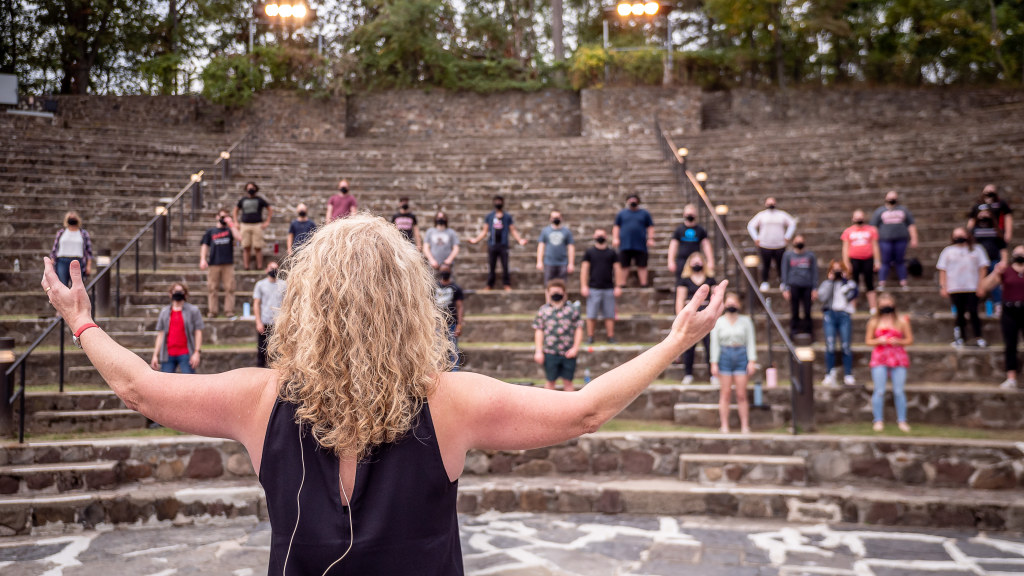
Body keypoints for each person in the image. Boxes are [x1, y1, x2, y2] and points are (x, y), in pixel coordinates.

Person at [41, 216, 726, 574]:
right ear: (410, 304)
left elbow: (139, 388)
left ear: (306, 304)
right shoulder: (450, 402)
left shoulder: (258, 398)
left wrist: (81, 318)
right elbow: (585, 409)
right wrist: (673, 343)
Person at [866, 293, 913, 432]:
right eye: (883, 305)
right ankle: (878, 420)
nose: (886, 307)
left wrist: (898, 341)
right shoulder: (874, 322)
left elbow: (909, 340)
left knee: (899, 391)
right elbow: (868, 341)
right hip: (880, 357)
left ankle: (902, 420)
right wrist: (878, 341)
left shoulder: (902, 321)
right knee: (879, 390)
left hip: (898, 357)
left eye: (888, 304)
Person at [710, 292, 757, 433]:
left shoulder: (746, 321)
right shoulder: (719, 322)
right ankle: (724, 425)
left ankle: (744, 425)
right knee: (725, 393)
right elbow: (715, 343)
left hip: (741, 355)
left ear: (739, 304)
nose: (731, 305)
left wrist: (752, 360)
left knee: (741, 394)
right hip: (725, 356)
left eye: (734, 302)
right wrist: (714, 362)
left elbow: (750, 341)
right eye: (729, 303)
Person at [937, 227, 989, 348]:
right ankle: (961, 338)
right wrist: (943, 286)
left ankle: (978, 337)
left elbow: (983, 268)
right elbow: (942, 270)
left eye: (961, 234)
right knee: (959, 314)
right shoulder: (948, 251)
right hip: (955, 288)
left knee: (973, 312)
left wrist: (981, 285)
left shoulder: (977, 249)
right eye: (956, 235)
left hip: (972, 287)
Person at [981, 246, 1024, 389]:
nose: (1020, 256)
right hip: (1009, 310)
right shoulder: (1006, 270)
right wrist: (995, 272)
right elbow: (984, 287)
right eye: (1017, 253)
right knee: (1010, 344)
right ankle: (1011, 378)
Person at [532, 279, 583, 391]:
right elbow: (539, 330)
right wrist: (539, 351)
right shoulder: (543, 310)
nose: (556, 294)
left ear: (564, 293)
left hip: (568, 353)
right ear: (548, 293)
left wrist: (575, 348)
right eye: (553, 292)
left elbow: (579, 328)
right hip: (550, 353)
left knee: (568, 382)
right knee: (550, 382)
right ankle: (547, 408)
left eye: (558, 292)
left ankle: (571, 408)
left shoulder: (572, 309)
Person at [469, 195, 527, 291]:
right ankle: (490, 285)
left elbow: (513, 230)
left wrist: (520, 240)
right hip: (492, 244)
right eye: (496, 201)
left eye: (500, 201)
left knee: (505, 265)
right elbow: (485, 231)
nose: (498, 203)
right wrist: (476, 240)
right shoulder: (489, 216)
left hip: (503, 245)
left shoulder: (507, 216)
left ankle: (506, 284)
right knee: (492, 266)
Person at [676, 252, 716, 385]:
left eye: (699, 261)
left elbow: (716, 298)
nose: (697, 263)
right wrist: (680, 317)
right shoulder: (684, 279)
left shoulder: (710, 279)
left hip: (706, 314)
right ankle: (688, 374)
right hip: (690, 316)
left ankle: (713, 374)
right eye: (694, 261)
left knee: (710, 345)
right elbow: (680, 300)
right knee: (689, 346)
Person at [818, 261, 858, 387]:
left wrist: (844, 282)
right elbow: (822, 298)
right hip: (830, 314)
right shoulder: (826, 283)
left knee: (845, 345)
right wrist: (831, 282)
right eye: (834, 270)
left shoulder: (849, 284)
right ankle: (830, 373)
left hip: (844, 315)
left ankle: (848, 374)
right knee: (830, 345)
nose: (837, 273)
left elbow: (851, 296)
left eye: (839, 270)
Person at [150, 282, 203, 374]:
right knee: (165, 385)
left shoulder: (193, 310)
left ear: (185, 294)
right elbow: (161, 334)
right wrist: (155, 355)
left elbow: (198, 332)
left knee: (189, 383)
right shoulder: (165, 312)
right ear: (170, 293)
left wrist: (197, 352)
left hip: (186, 354)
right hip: (168, 354)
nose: (178, 293)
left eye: (181, 291)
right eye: (175, 291)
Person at [746, 197, 796, 292]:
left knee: (781, 264)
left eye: (772, 202)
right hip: (765, 245)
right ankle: (765, 281)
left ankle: (783, 282)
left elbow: (792, 223)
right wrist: (756, 238)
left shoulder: (781, 215)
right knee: (766, 265)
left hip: (780, 245)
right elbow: (751, 225)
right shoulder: (762, 215)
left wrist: (787, 236)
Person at [870, 190, 918, 289]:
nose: (892, 199)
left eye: (894, 197)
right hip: (885, 240)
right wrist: (874, 241)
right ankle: (882, 282)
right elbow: (874, 227)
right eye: (890, 197)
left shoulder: (903, 210)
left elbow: (911, 225)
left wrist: (914, 238)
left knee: (900, 261)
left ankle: (903, 282)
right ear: (885, 198)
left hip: (901, 240)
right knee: (885, 261)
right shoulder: (880, 211)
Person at [580, 229, 621, 345]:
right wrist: (584, 285)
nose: (600, 237)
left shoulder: (612, 253)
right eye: (598, 235)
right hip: (593, 288)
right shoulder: (589, 252)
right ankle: (590, 337)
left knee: (609, 314)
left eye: (602, 235)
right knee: (591, 314)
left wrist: (618, 286)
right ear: (594, 236)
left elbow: (617, 269)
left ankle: (610, 336)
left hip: (609, 288)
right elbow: (584, 270)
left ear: (606, 236)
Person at [199, 209, 241, 318]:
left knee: (230, 288)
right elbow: (204, 245)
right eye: (222, 216)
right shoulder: (210, 231)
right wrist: (203, 259)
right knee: (212, 288)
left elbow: (239, 238)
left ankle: (229, 311)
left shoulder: (230, 230)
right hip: (214, 263)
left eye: (226, 216)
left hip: (228, 263)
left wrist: (231, 224)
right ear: (217, 217)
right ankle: (212, 311)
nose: (224, 219)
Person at [969, 208, 1007, 317]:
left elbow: (1002, 247)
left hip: (993, 261)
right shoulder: (973, 230)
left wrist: (1003, 261)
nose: (984, 216)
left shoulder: (996, 230)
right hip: (978, 264)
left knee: (995, 283)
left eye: (986, 213)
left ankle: (998, 304)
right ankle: (973, 306)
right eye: (981, 213)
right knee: (976, 284)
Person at [841, 209, 880, 313]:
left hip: (868, 259)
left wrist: (877, 260)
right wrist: (846, 262)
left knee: (869, 282)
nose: (859, 219)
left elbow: (875, 246)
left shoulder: (871, 230)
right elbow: (845, 248)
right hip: (854, 260)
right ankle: (853, 306)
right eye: (856, 217)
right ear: (853, 218)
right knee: (853, 283)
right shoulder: (848, 231)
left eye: (860, 217)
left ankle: (873, 307)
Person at [613, 194, 655, 288]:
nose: (632, 202)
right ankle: (622, 284)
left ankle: (644, 283)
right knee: (624, 265)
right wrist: (615, 238)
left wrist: (651, 238)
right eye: (630, 200)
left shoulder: (644, 213)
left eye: (634, 200)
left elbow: (650, 227)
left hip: (640, 244)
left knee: (642, 265)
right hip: (625, 244)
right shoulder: (622, 213)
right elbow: (616, 227)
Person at [781, 234, 818, 340]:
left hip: (807, 286)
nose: (799, 243)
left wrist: (814, 288)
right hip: (794, 286)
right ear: (793, 243)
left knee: (807, 310)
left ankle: (809, 332)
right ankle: (794, 331)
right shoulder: (788, 255)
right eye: (797, 241)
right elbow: (784, 272)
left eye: (801, 241)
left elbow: (814, 272)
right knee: (794, 310)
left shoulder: (810, 255)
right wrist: (786, 288)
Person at [253, 261, 286, 369]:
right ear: (266, 269)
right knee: (262, 351)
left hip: (278, 324)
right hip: (265, 322)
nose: (273, 270)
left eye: (276, 268)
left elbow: (286, 304)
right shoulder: (260, 284)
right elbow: (256, 303)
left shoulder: (284, 285)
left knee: (278, 352)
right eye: (271, 268)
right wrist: (258, 321)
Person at [233, 182, 272, 271]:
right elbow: (235, 210)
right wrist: (236, 221)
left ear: (256, 188)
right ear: (246, 189)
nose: (250, 189)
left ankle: (259, 266)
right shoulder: (242, 200)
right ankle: (246, 267)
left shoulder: (260, 200)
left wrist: (267, 221)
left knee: (258, 246)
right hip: (245, 225)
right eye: (249, 187)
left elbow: (269, 209)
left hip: (257, 225)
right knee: (246, 246)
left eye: (252, 187)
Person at [668, 204, 714, 278]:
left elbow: (706, 245)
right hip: (682, 261)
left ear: (695, 215)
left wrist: (710, 261)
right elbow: (673, 245)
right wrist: (670, 261)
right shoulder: (679, 229)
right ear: (684, 215)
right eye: (688, 214)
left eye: (691, 214)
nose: (690, 216)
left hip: (696, 261)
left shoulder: (700, 230)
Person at [50, 211, 93, 288]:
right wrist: (52, 261)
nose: (72, 219)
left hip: (78, 261)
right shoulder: (61, 232)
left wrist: (88, 265)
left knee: (77, 287)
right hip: (62, 261)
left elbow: (88, 251)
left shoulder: (83, 233)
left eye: (74, 217)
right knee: (62, 286)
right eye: (70, 218)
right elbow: (55, 248)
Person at [435, 264, 464, 371]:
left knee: (453, 349)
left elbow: (460, 306)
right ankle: (438, 371)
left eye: (446, 270)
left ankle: (454, 372)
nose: (444, 272)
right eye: (443, 270)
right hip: (437, 323)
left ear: (450, 272)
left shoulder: (456, 288)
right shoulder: (434, 287)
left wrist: (459, 325)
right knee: (437, 349)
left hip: (452, 323)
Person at [537, 210, 575, 284]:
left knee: (563, 286)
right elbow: (541, 246)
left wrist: (571, 263)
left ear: (561, 218)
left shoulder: (567, 231)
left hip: (563, 263)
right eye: (554, 217)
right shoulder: (545, 231)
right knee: (548, 285)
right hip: (549, 262)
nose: (556, 219)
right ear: (550, 219)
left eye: (557, 217)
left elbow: (571, 247)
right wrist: (539, 261)